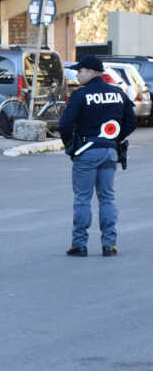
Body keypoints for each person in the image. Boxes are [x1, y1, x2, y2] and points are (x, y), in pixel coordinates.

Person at [58, 55, 137, 258]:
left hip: (86, 150)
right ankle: (109, 244)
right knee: (107, 198)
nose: (77, 74)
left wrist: (71, 146)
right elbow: (131, 121)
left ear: (92, 72)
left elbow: (65, 124)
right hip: (109, 151)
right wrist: (116, 138)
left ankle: (80, 245)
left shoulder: (80, 95)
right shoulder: (117, 93)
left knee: (83, 198)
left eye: (81, 71)